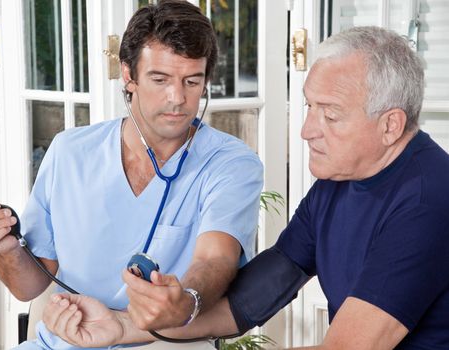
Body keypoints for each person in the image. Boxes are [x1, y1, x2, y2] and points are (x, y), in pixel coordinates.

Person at [42, 26, 449, 350]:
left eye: (331, 115)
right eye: (309, 108)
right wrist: (120, 326)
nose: (308, 131)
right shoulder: (338, 182)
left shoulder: (428, 201)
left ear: (391, 125)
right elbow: (244, 306)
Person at [0, 1, 263, 349]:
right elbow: (27, 286)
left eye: (192, 81)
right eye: (160, 79)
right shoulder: (69, 152)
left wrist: (186, 299)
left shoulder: (230, 164)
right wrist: (7, 249)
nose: (177, 98)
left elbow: (215, 259)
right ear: (128, 76)